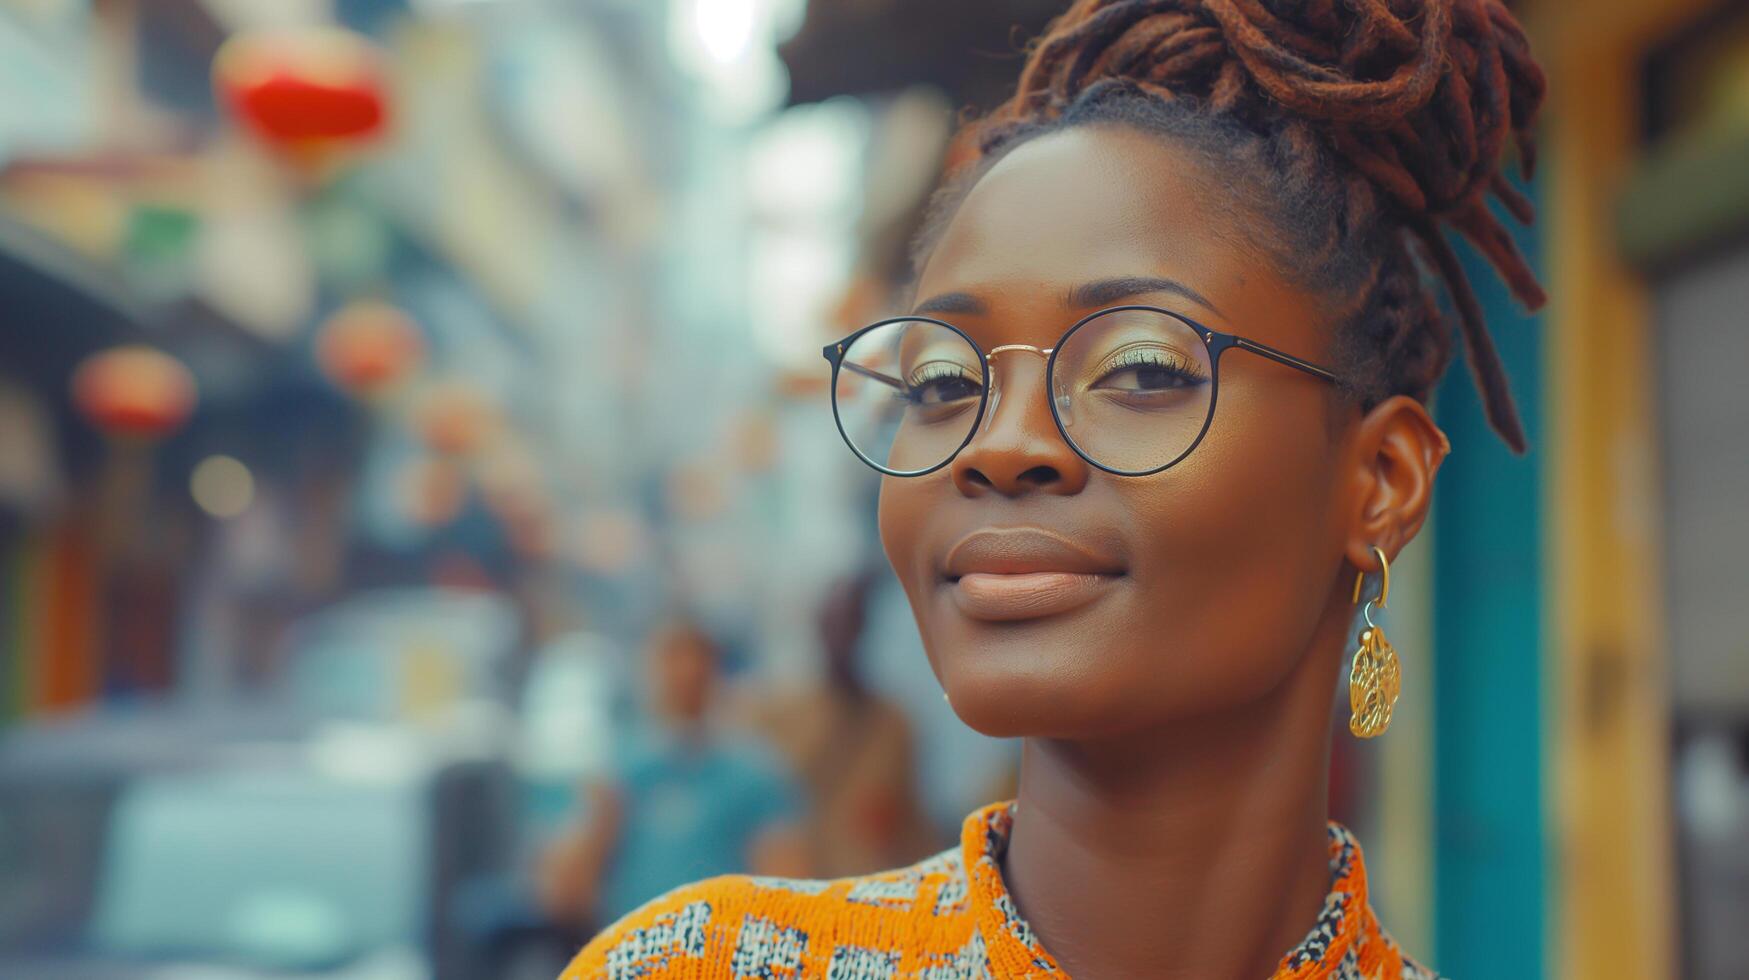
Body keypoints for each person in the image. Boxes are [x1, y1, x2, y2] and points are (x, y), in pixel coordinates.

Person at [561, 0, 1545, 976]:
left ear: (1381, 481)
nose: (1000, 443)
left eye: (1143, 367)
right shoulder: (695, 962)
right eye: (941, 381)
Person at [535, 618, 808, 933]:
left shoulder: (753, 774)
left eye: (696, 665)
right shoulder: (619, 768)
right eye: (672, 662)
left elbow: (788, 889)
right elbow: (564, 893)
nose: (685, 676)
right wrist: (601, 818)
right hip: (631, 953)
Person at [739, 570, 940, 879]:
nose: (841, 637)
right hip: (794, 887)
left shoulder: (892, 723)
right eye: (833, 625)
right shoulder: (778, 715)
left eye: (850, 625)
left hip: (868, 886)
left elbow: (909, 819)